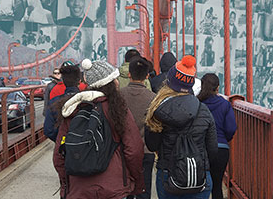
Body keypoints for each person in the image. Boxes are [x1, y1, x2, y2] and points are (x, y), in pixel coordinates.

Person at [53, 59, 145, 198]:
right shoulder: (117, 110)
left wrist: (67, 185)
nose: (118, 82)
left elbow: (59, 156)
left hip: (79, 190)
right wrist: (136, 181)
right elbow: (133, 150)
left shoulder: (73, 109)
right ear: (110, 83)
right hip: (113, 189)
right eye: (115, 79)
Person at [145, 55, 218, 199]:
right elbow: (212, 150)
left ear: (170, 82)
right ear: (191, 83)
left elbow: (152, 145)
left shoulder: (159, 109)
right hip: (198, 175)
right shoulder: (204, 111)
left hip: (168, 174)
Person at [120, 57, 156, 199]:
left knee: (126, 189)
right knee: (144, 189)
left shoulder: (119, 95)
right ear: (147, 76)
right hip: (146, 149)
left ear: (129, 74)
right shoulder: (153, 97)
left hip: (124, 149)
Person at [197, 73, 237, 199]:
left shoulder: (197, 104)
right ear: (218, 88)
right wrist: (224, 139)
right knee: (217, 185)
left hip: (200, 149)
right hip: (221, 149)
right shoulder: (225, 105)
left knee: (198, 185)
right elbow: (231, 128)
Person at [44, 63, 80, 142]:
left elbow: (48, 131)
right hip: (84, 148)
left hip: (62, 147)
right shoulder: (89, 101)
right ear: (79, 81)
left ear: (63, 80)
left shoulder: (54, 102)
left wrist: (61, 140)